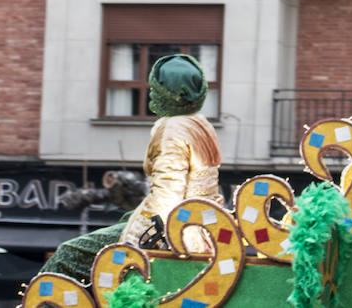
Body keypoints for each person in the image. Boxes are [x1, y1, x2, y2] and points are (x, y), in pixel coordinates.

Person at [41, 54, 222, 280]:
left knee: (67, 256)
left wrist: (132, 241)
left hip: (176, 232)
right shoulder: (200, 124)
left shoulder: (173, 129)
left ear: (169, 94)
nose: (151, 94)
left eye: (156, 89)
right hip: (199, 225)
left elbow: (167, 194)